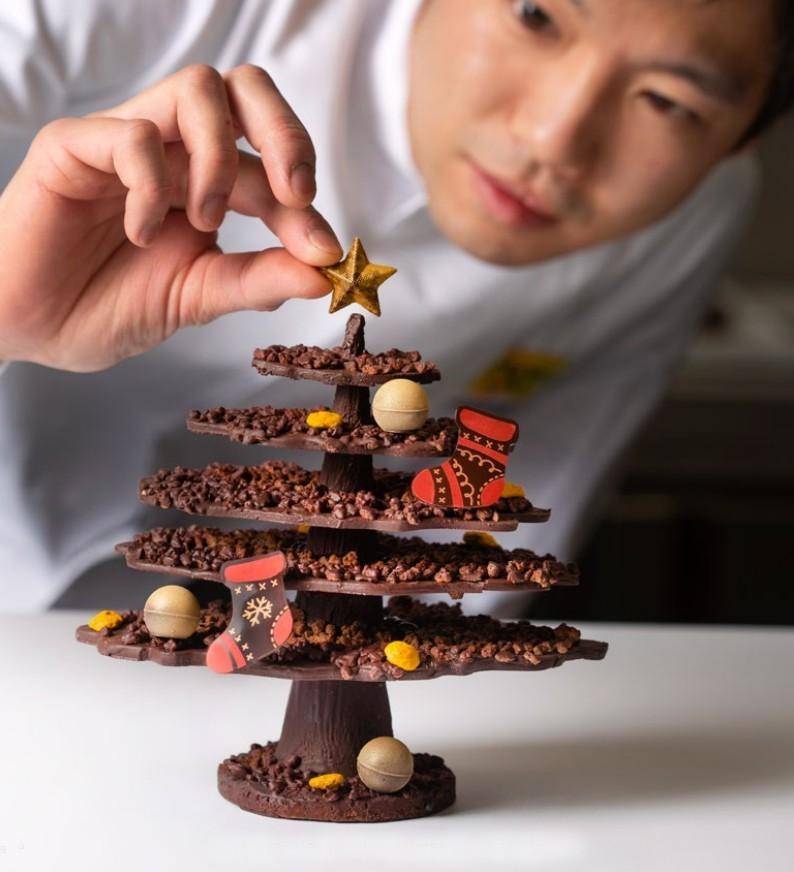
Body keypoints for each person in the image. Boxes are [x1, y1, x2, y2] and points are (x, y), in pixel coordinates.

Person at [0, 0, 788, 614]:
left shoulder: (688, 215)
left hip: (255, 631)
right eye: (535, 15)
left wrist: (338, 665)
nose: (555, 138)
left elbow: (508, 488)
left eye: (668, 100)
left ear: (740, 139)